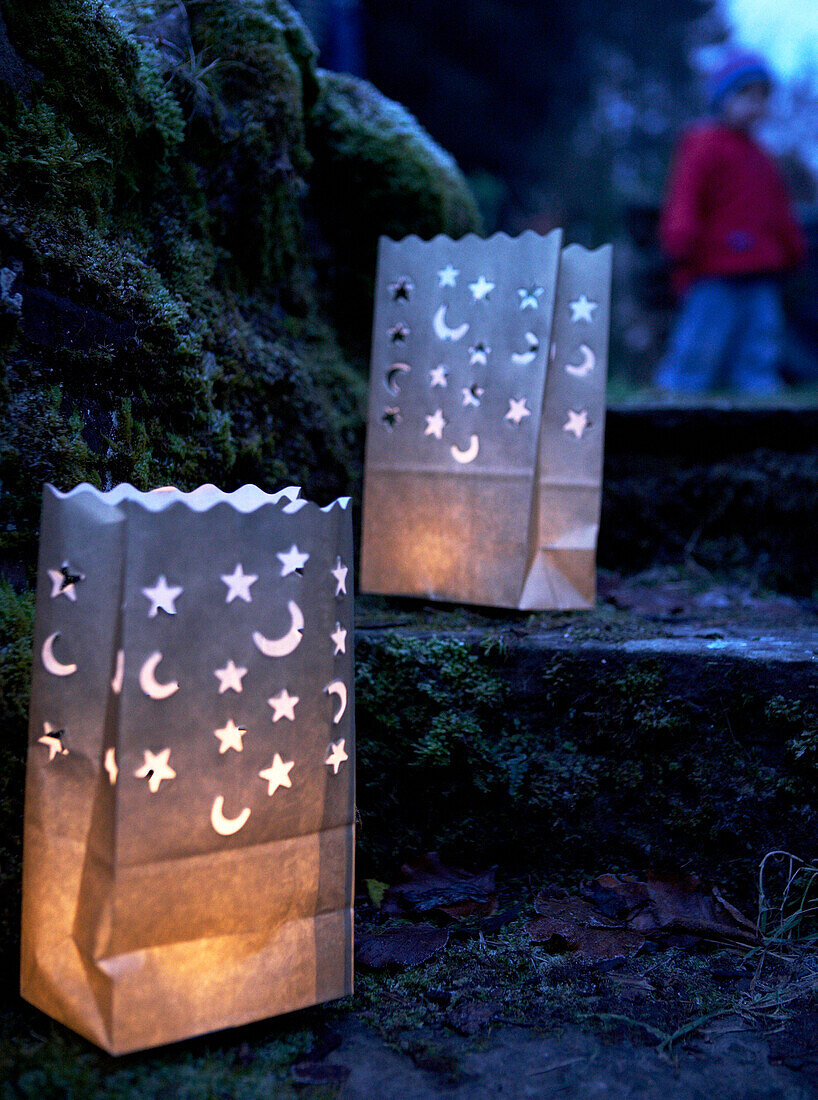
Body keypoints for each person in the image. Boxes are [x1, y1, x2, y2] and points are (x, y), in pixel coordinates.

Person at [655, 50, 807, 394]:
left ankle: (758, 396)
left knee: (761, 340)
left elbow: (779, 211)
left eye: (762, 96)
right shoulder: (702, 145)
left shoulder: (764, 159)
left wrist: (793, 249)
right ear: (722, 98)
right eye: (744, 94)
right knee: (701, 339)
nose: (754, 104)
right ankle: (680, 395)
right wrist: (679, 240)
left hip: (761, 271)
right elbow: (684, 197)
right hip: (714, 269)